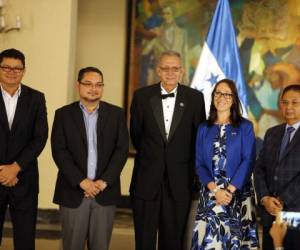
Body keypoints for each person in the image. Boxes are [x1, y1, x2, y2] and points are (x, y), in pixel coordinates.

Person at [130, 50, 206, 250]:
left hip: (180, 182)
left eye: (175, 68)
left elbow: (199, 140)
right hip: (147, 180)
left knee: (173, 242)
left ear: (182, 71)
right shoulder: (141, 97)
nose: (170, 72)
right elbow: (136, 135)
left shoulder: (195, 98)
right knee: (144, 241)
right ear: (158, 71)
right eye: (165, 68)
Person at [51, 67, 129, 250]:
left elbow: (121, 150)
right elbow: (59, 152)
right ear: (78, 85)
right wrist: (81, 181)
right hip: (73, 192)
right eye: (88, 84)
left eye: (98, 85)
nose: (94, 89)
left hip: (105, 193)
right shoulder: (63, 114)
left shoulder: (116, 114)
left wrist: (103, 182)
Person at [191, 79, 259, 249]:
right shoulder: (203, 128)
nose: (222, 97)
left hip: (236, 194)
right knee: (210, 242)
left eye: (227, 93)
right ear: (213, 96)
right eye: (218, 93)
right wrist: (216, 190)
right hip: (211, 194)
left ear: (234, 98)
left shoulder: (245, 127)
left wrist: (228, 191)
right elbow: (199, 163)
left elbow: (248, 160)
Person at [0, 48, 48, 249]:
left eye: (17, 68)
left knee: (25, 240)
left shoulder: (36, 98)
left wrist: (16, 167)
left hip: (24, 178)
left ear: (24, 71)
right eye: (6, 67)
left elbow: (40, 137)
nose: (12, 72)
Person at [254, 84, 300, 250]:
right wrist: (265, 198)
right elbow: (259, 169)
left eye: (295, 103)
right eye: (285, 102)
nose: (289, 107)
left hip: (295, 214)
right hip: (269, 214)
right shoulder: (272, 133)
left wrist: (281, 200)